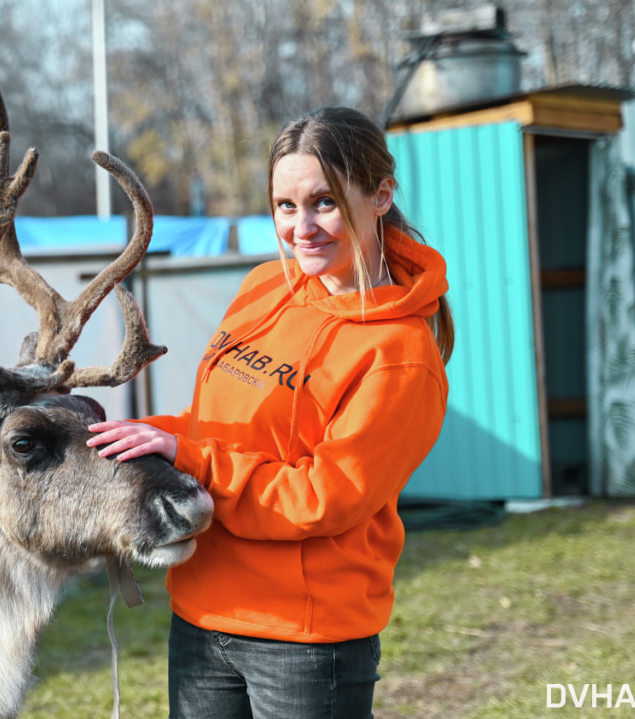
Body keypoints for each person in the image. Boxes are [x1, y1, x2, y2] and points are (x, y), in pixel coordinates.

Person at [87, 106, 454, 719]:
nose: (301, 227)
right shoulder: (264, 287)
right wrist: (154, 434)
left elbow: (324, 496)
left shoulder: (400, 355)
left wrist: (189, 455)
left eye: (324, 203)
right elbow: (215, 423)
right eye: (285, 206)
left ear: (381, 194)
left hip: (305, 642)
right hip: (202, 616)